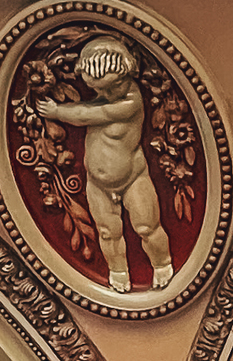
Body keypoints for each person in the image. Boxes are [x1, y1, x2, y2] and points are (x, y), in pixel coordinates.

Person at [36, 35, 175, 294]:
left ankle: (162, 263)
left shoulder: (130, 102)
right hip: (97, 183)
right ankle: (118, 270)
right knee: (107, 231)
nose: (105, 95)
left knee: (146, 226)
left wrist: (56, 112)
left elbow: (88, 114)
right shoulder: (106, 96)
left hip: (134, 178)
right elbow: (92, 105)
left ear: (126, 76)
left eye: (112, 87)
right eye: (99, 89)